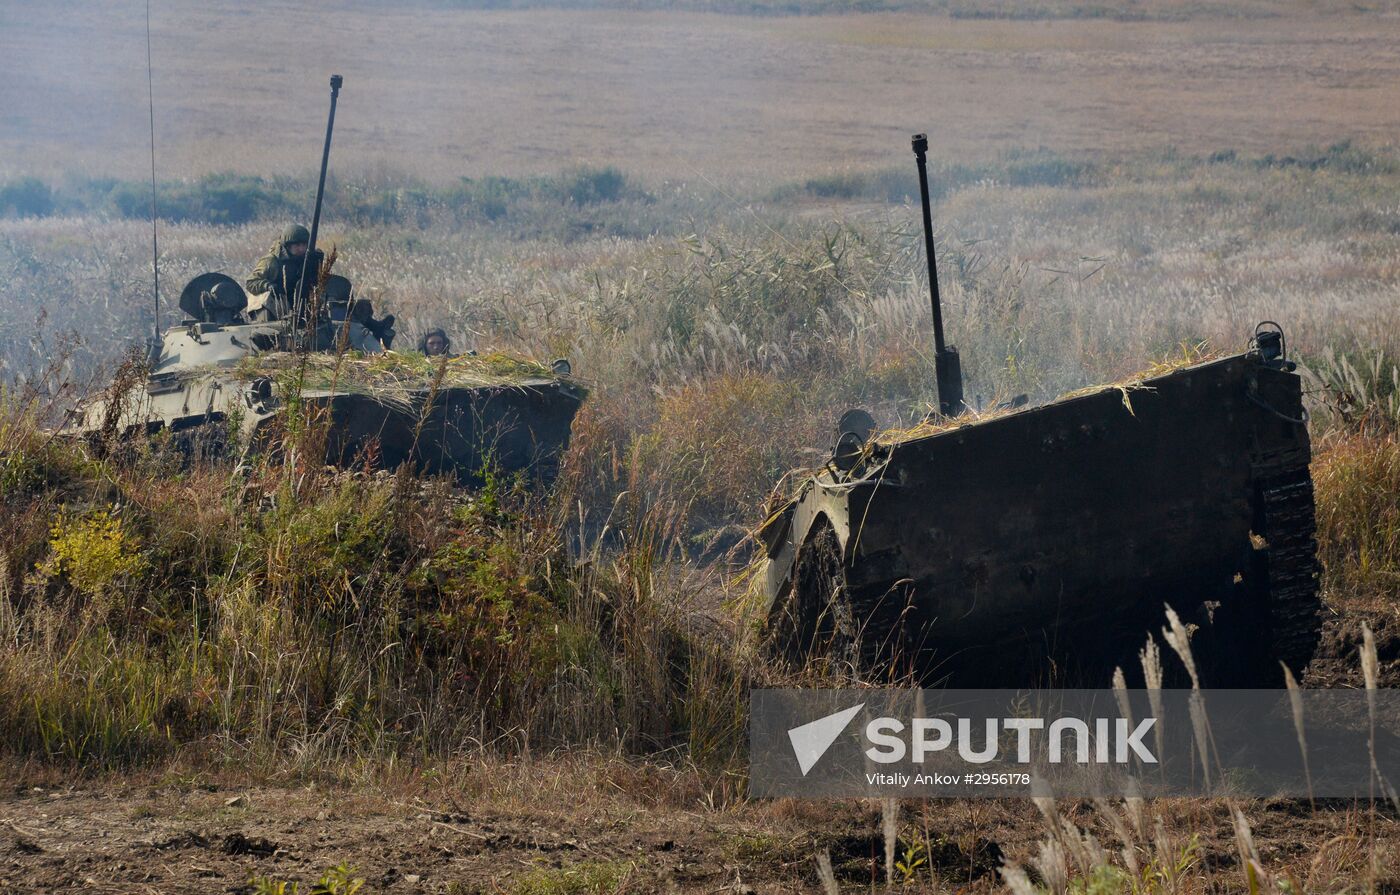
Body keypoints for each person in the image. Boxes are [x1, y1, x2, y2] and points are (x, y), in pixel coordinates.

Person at [245, 224, 323, 313]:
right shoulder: (272, 261)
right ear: (287, 245)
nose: (301, 249)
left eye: (304, 245)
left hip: (299, 304)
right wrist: (268, 286)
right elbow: (250, 282)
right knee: (266, 298)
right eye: (297, 245)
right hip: (273, 306)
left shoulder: (309, 259)